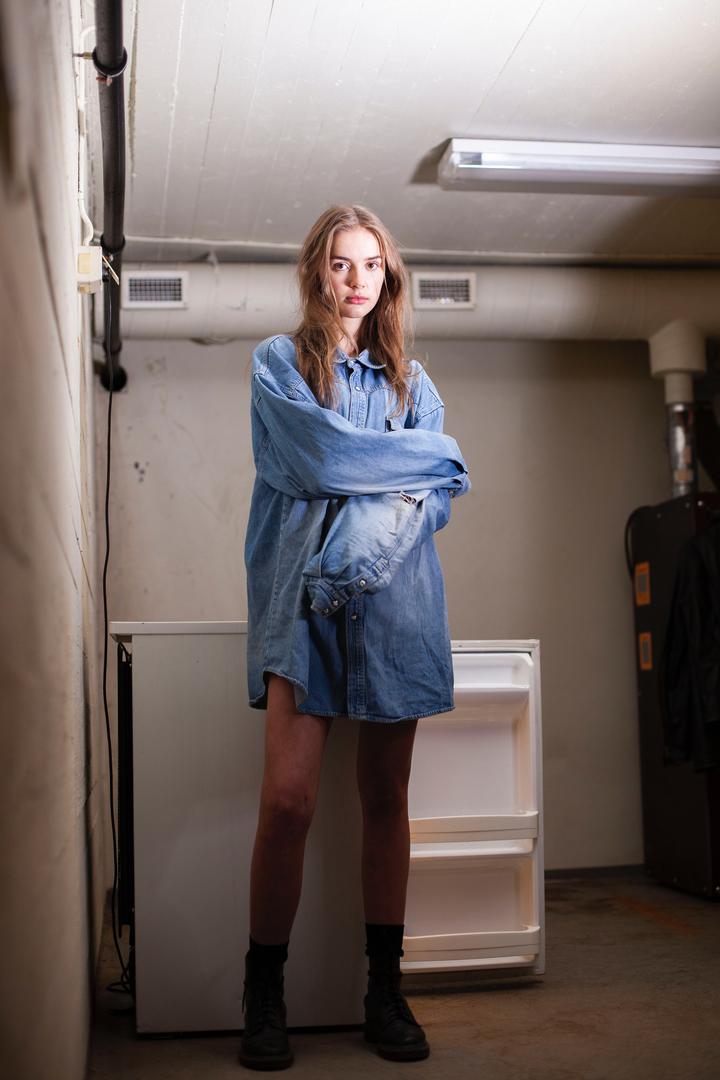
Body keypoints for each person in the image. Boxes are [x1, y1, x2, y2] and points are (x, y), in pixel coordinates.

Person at [240, 204, 470, 1071]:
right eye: (341, 263)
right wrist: (427, 460)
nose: (357, 280)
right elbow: (322, 460)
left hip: (398, 610)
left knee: (385, 800)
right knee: (288, 804)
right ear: (317, 272)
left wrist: (412, 479)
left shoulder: (416, 386)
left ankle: (385, 992)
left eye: (372, 264)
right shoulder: (279, 365)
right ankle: (264, 995)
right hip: (302, 608)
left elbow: (432, 506)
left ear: (389, 276)